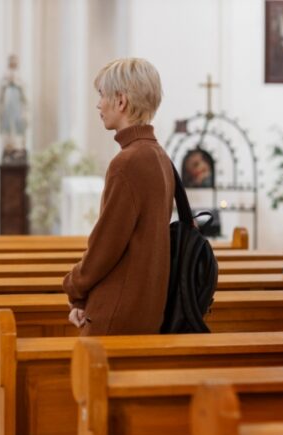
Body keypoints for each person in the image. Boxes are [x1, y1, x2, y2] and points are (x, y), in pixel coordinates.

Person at [62, 58, 174, 336]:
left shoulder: (128, 161)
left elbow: (106, 245)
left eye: (102, 96)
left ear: (121, 101)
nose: (98, 105)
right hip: (146, 308)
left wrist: (74, 286)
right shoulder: (158, 155)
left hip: (117, 314)